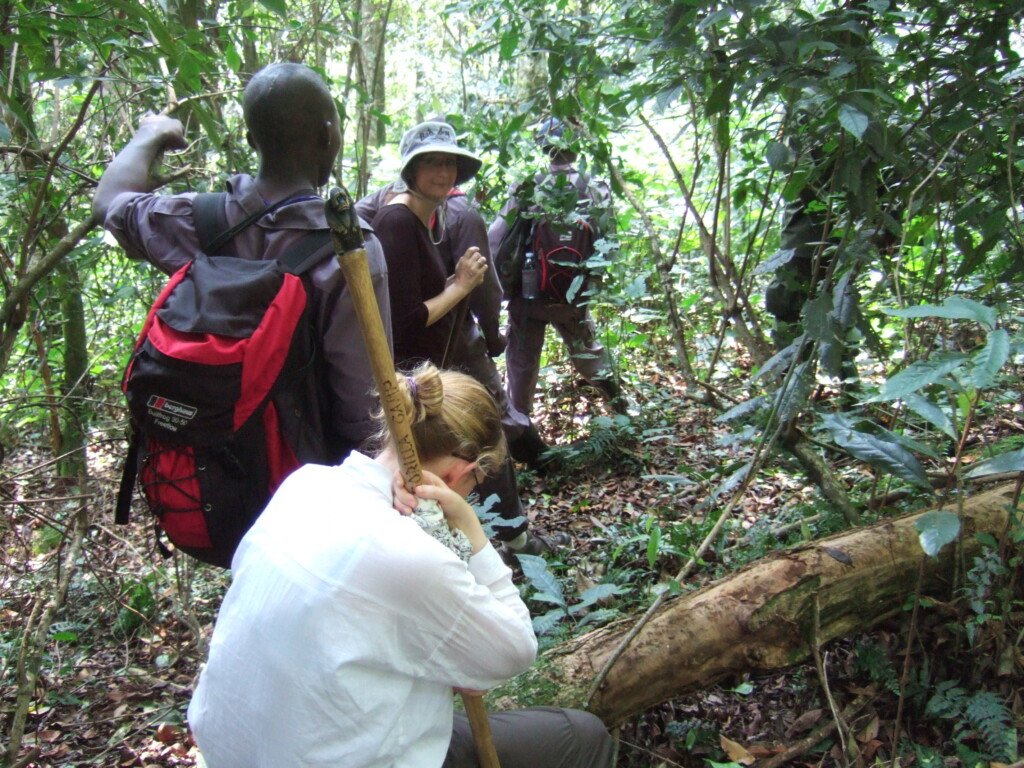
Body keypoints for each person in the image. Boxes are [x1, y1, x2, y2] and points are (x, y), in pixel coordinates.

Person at [186, 362, 616, 768]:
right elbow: (515, 651)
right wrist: (473, 533)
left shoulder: (306, 483)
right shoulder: (409, 555)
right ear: (456, 476)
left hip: (230, 746)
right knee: (582, 736)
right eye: (475, 484)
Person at [92, 62, 390, 462]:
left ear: (252, 141)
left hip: (209, 469)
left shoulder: (197, 222)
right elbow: (363, 404)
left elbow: (109, 203)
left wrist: (152, 134)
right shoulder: (351, 248)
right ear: (328, 135)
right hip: (303, 480)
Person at [369, 119, 565, 560]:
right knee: (475, 444)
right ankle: (499, 544)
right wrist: (461, 285)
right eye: (431, 163)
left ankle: (493, 540)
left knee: (466, 450)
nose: (443, 172)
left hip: (435, 368)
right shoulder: (397, 221)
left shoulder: (429, 218)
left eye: (450, 163)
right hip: (421, 374)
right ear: (411, 170)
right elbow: (403, 319)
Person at [488, 118, 625, 433]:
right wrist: (591, 285)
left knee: (522, 365)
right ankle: (620, 411)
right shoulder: (595, 186)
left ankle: (521, 431)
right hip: (573, 295)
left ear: (542, 146)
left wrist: (496, 288)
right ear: (575, 147)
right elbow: (608, 243)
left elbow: (498, 238)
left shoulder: (527, 186)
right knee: (588, 354)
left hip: (528, 291)